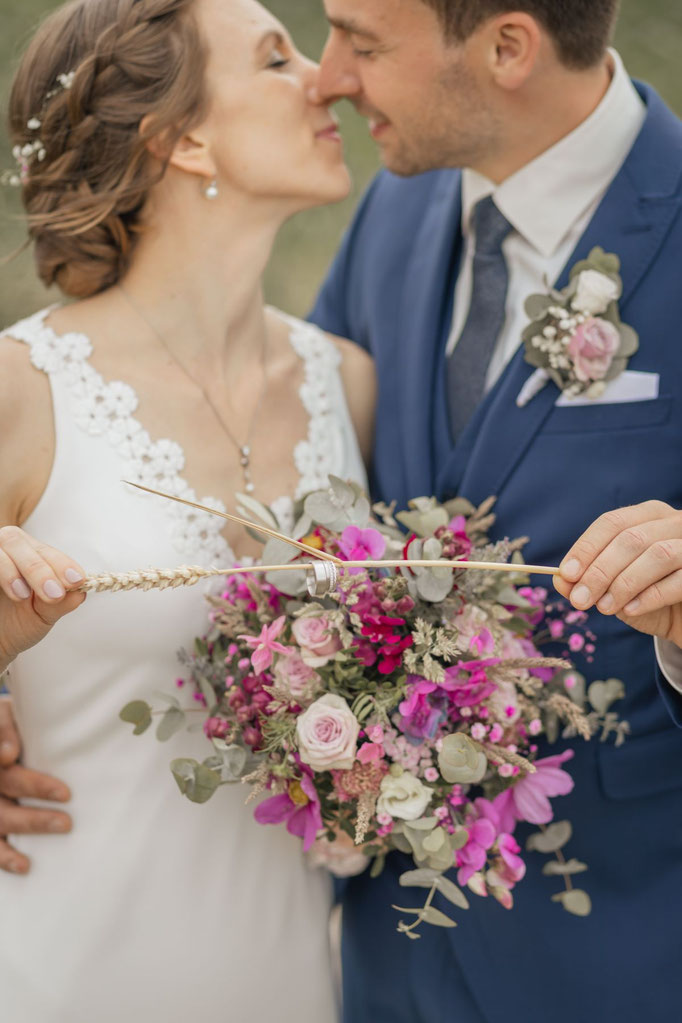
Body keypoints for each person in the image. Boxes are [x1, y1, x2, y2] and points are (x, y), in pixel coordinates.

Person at [307, 1, 682, 1021]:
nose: (327, 76)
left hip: (626, 955)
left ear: (507, 47)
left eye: (364, 42)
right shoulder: (399, 209)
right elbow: (285, 477)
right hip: (388, 957)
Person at [0, 0, 374, 1019]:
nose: (326, 78)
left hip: (297, 977)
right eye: (275, 57)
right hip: (59, 973)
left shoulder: (347, 383)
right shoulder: (21, 387)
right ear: (181, 137)